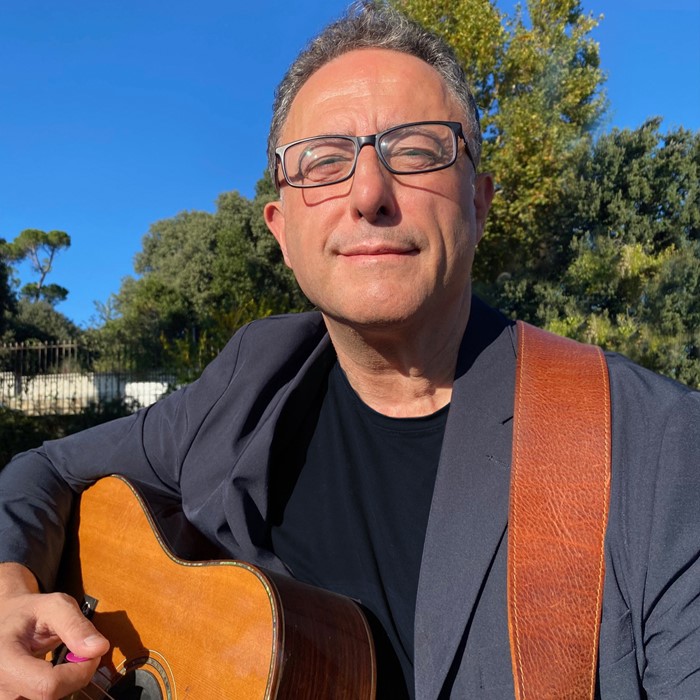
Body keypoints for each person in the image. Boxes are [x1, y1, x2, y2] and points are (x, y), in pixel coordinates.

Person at [1, 4, 699, 699]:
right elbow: (45, 470)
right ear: (282, 231)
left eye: (417, 150)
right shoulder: (253, 377)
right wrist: (9, 590)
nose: (368, 193)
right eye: (324, 161)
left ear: (480, 203)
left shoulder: (655, 448)